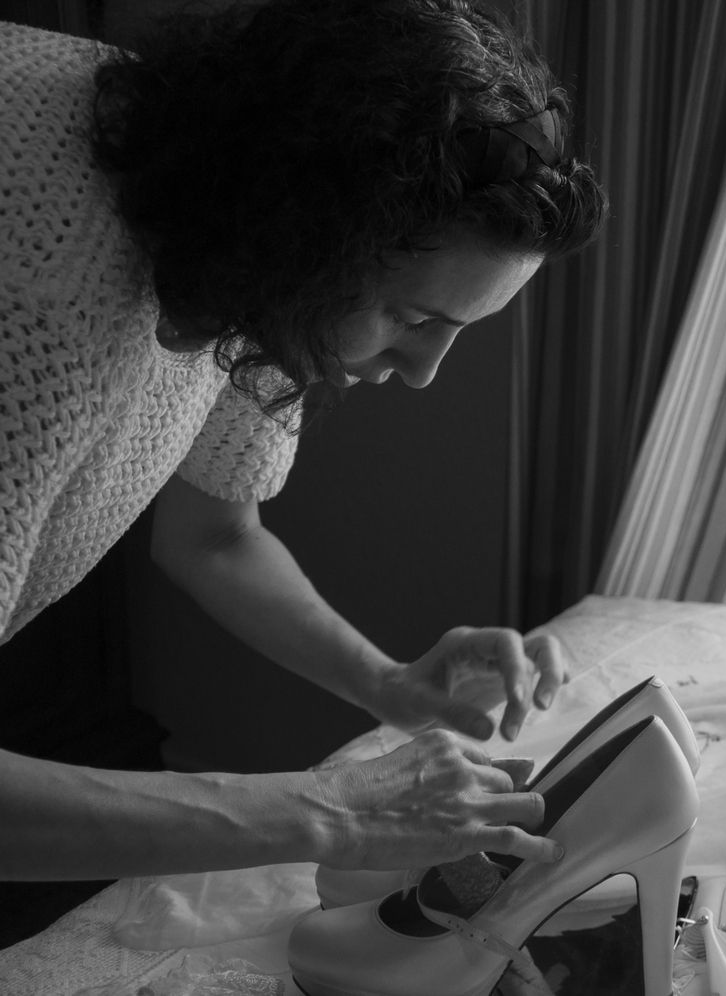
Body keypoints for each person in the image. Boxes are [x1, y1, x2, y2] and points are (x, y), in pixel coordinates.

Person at [0, 0, 606, 882]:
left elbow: (215, 534)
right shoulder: (38, 306)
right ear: (311, 238)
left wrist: (390, 685)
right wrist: (333, 815)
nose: (427, 369)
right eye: (412, 315)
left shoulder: (244, 244)